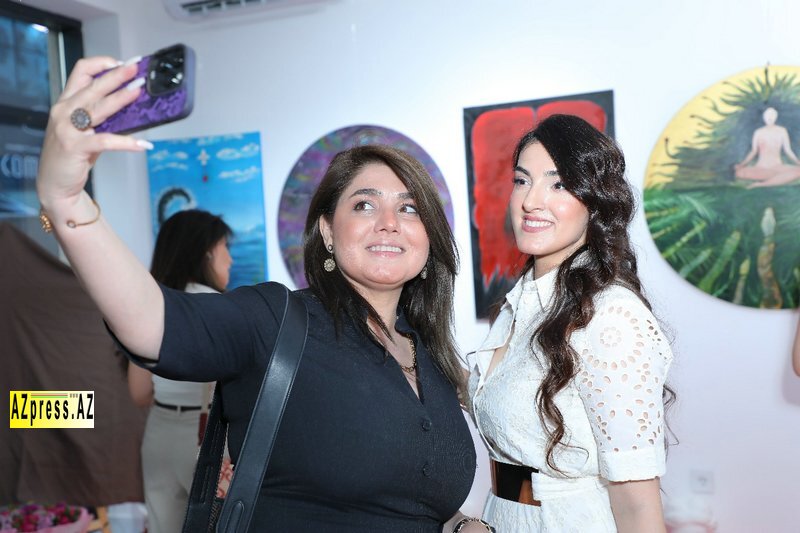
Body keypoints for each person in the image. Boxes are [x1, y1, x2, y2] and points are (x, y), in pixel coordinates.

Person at [36, 57, 488, 532]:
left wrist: (461, 525)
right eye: (364, 204)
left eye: (410, 208)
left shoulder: (431, 354)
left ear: (429, 236)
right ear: (327, 232)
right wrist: (66, 201)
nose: (389, 222)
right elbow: (155, 323)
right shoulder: (276, 321)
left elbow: (411, 498)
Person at [463, 114, 675, 532]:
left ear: (595, 201)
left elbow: (638, 507)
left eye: (558, 184)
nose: (530, 201)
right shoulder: (522, 303)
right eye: (522, 180)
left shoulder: (610, 315)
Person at [127, 209, 233, 533]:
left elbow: (139, 392)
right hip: (209, 435)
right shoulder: (222, 308)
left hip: (159, 434)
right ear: (208, 252)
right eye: (225, 247)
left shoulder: (148, 308)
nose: (230, 259)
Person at [734, 107, 800, 188]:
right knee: (739, 173)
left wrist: (798, 162)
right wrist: (742, 164)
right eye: (767, 115)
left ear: (776, 117)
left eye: (772, 115)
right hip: (761, 167)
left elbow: (788, 150)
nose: (770, 118)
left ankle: (762, 184)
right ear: (763, 117)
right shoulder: (758, 132)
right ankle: (779, 178)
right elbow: (753, 151)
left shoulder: (782, 131)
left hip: (777, 166)